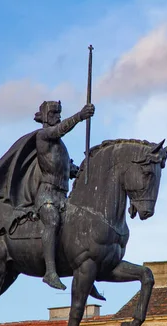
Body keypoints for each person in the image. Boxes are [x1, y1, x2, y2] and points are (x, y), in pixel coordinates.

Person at [33, 100, 95, 290]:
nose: (58, 117)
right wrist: (79, 116)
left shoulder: (60, 147)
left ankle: (84, 269)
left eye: (59, 113)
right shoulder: (44, 135)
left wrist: (81, 169)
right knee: (52, 221)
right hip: (47, 196)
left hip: (62, 196)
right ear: (45, 117)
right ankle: (50, 272)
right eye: (54, 114)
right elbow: (58, 130)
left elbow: (67, 169)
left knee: (80, 224)